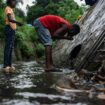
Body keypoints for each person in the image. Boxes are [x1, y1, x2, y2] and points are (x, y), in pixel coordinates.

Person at [3, 0, 23, 73]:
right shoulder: (8, 8)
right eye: (13, 1)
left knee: (11, 47)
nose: (15, 3)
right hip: (9, 29)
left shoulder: (11, 9)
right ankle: (5, 65)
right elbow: (10, 19)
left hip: (12, 30)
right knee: (8, 47)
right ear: (9, 2)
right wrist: (18, 22)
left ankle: (9, 65)